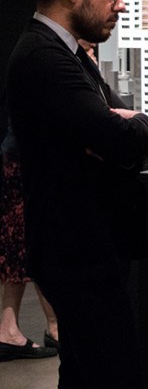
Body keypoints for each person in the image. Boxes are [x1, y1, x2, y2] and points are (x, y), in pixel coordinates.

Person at [5, 0, 148, 387]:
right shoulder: (43, 57)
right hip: (77, 253)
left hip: (89, 248)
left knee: (81, 372)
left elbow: (135, 132)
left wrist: (130, 127)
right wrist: (125, 130)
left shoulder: (72, 55)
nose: (121, 5)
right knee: (112, 374)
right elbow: (121, 137)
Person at [0, 124, 59, 362]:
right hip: (23, 156)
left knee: (21, 240)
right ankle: (54, 327)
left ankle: (10, 329)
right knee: (29, 239)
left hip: (17, 152)